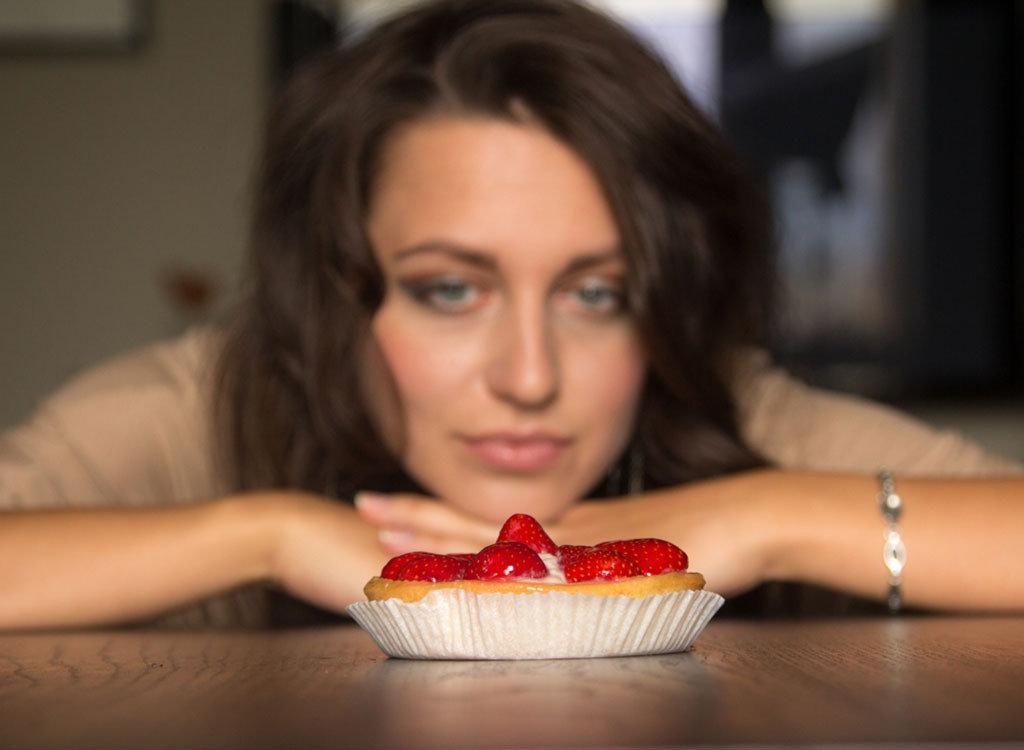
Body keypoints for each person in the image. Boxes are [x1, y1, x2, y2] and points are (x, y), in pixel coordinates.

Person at [1, 0, 1021, 631]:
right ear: (335, 286)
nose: (529, 377)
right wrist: (268, 535)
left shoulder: (713, 410)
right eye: (450, 290)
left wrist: (761, 517)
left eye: (596, 295)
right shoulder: (205, 406)